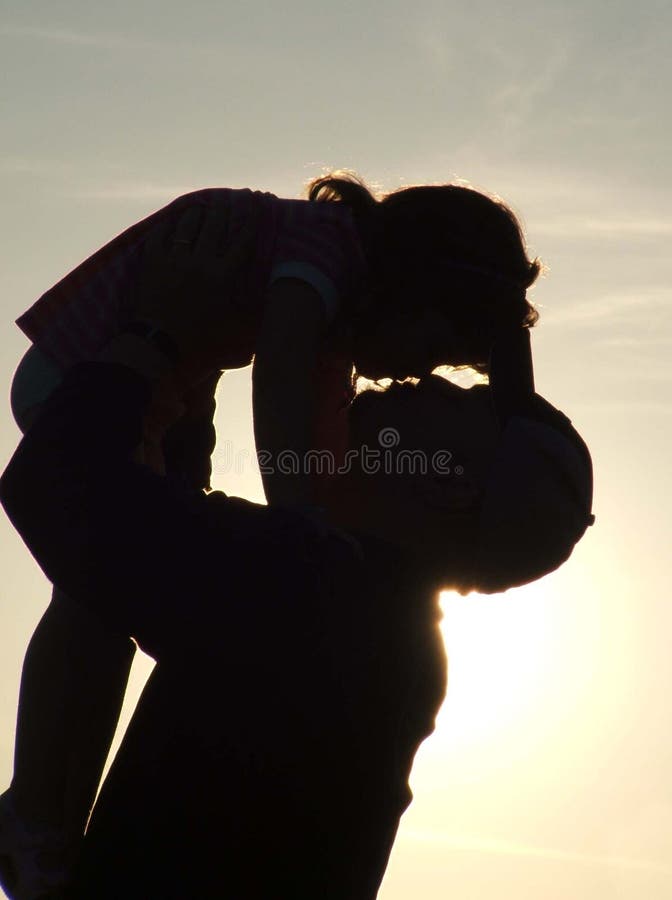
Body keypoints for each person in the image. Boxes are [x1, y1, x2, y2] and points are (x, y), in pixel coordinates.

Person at [0, 205, 593, 898]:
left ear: (449, 483)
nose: (427, 380)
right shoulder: (376, 629)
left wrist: (154, 332)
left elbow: (58, 485)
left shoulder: (309, 586)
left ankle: (37, 820)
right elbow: (137, 522)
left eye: (462, 402)